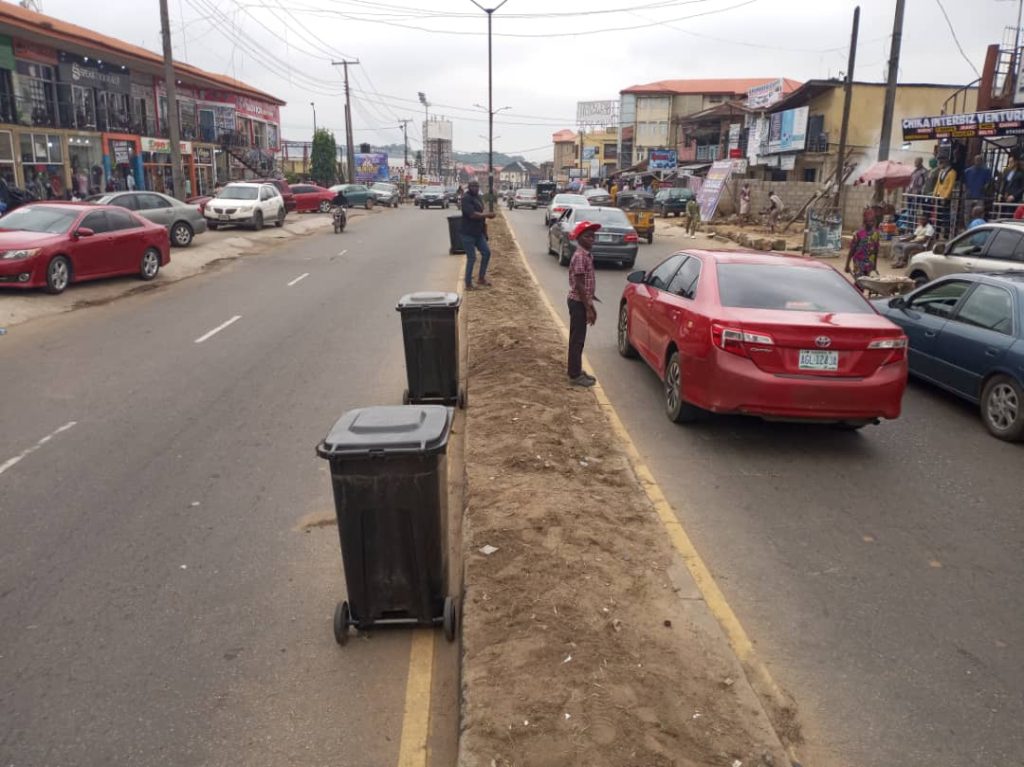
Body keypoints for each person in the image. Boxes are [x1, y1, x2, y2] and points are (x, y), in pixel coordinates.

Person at [566, 220, 599, 387]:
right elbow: (579, 285)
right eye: (587, 236)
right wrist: (588, 309)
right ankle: (574, 375)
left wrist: (592, 306)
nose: (592, 239)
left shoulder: (586, 255)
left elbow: (586, 285)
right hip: (578, 302)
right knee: (577, 340)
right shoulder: (580, 256)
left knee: (579, 339)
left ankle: (576, 369)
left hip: (582, 302)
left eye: (593, 236)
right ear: (578, 238)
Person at [460, 179, 496, 289]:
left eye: (476, 186)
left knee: (487, 253)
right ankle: (468, 283)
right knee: (472, 258)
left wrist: (485, 232)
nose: (475, 188)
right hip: (468, 233)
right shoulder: (466, 198)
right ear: (469, 187)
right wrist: (487, 215)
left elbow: (481, 217)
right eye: (473, 186)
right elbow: (472, 215)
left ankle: (481, 278)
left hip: (479, 233)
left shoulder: (478, 198)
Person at [845, 210, 881, 282]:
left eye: (871, 221)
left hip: (870, 263)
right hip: (859, 262)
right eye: (867, 221)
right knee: (859, 282)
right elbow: (852, 250)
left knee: (866, 282)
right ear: (864, 221)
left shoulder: (876, 234)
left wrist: (875, 266)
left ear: (874, 221)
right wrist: (847, 265)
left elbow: (876, 251)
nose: (869, 223)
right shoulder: (858, 234)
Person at [962, 154, 991, 226]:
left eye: (980, 160)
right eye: (977, 160)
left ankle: (978, 227)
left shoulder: (986, 171)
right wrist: (966, 191)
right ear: (974, 161)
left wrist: (984, 189)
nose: (978, 162)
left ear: (982, 161)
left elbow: (988, 183)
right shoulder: (967, 171)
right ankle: (968, 228)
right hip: (969, 195)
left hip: (980, 195)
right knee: (967, 213)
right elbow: (964, 183)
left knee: (980, 213)